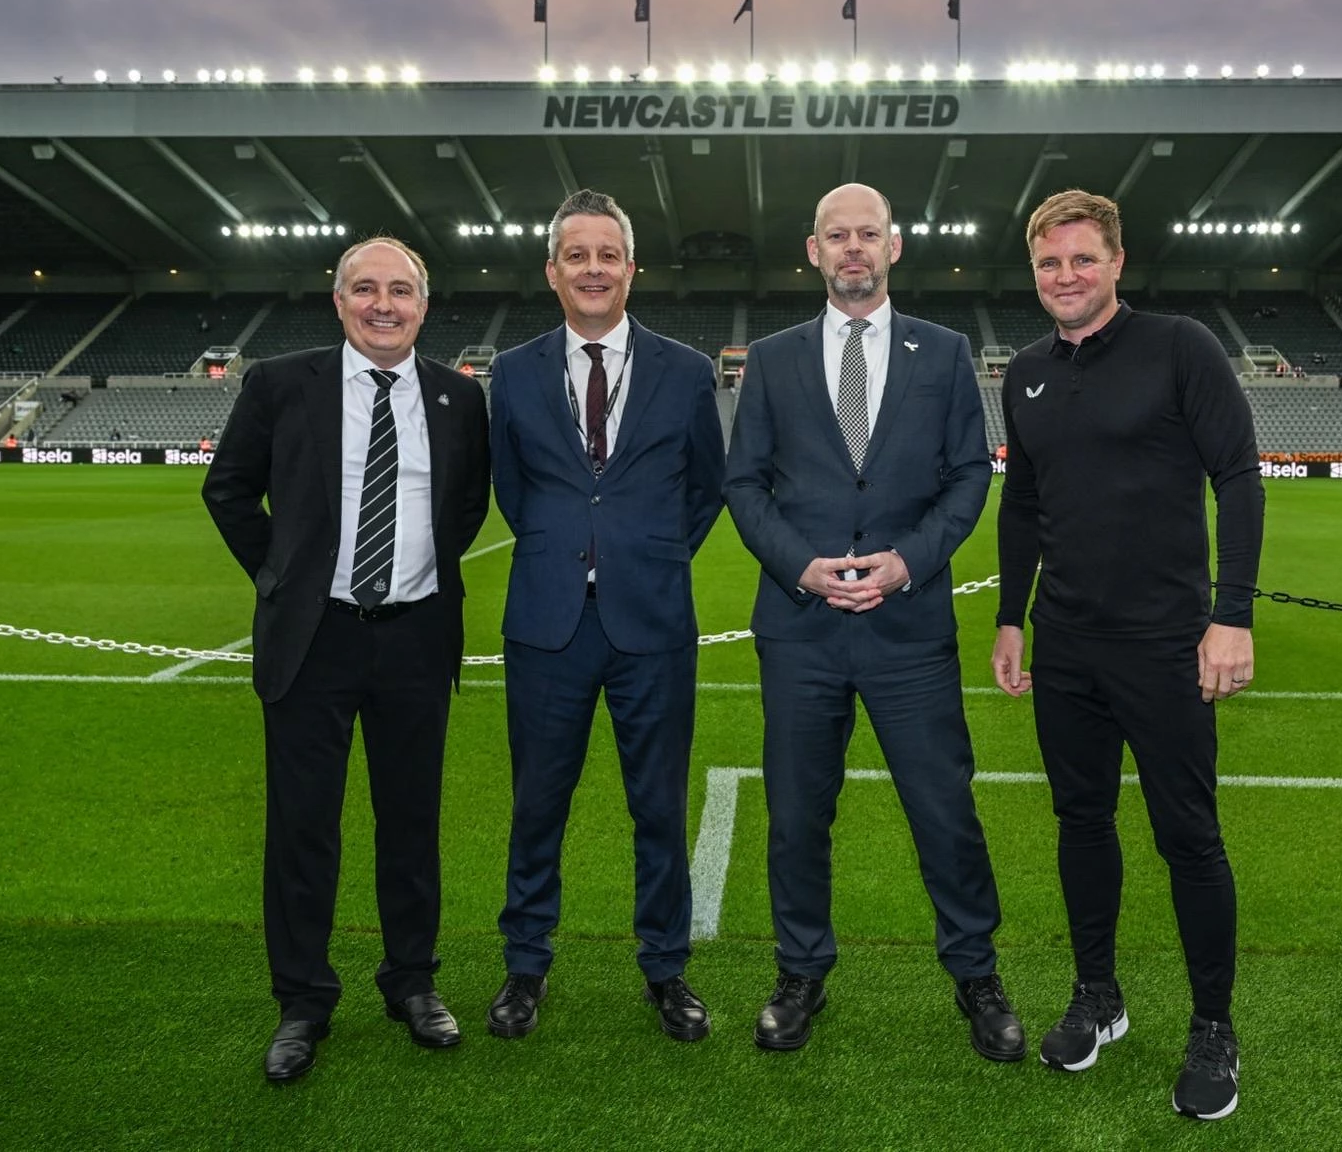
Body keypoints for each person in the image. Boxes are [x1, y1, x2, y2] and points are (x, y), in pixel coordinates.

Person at [725, 183, 1021, 1062]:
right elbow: (744, 484)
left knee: (943, 811)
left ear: (893, 247)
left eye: (868, 235)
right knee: (796, 817)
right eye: (835, 237)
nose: (853, 249)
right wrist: (800, 567)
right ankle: (800, 971)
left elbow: (971, 474)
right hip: (802, 627)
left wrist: (909, 561)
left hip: (909, 628)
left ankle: (976, 972)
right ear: (812, 252)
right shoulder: (772, 358)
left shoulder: (945, 352)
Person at [991, 189, 1263, 1120]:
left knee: (1188, 837)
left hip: (1165, 645)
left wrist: (1233, 616)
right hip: (1066, 646)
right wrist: (1011, 618)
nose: (1065, 277)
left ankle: (1213, 1027)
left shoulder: (1180, 346)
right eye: (1048, 265)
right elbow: (1022, 504)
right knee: (1080, 823)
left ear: (1116, 262)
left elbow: (1239, 477)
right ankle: (1098, 996)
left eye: (1081, 260)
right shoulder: (1022, 372)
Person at [202, 236, 490, 1084]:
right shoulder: (282, 383)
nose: (383, 304)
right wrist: (281, 574)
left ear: (424, 306)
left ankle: (412, 983)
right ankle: (302, 1001)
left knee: (412, 823)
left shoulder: (456, 398)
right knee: (303, 830)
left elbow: (466, 505)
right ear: (338, 301)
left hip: (413, 637)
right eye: (365, 289)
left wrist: (418, 576)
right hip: (314, 638)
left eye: (400, 290)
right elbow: (228, 489)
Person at [485, 189, 725, 1043]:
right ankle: (525, 965)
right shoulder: (510, 373)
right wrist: (568, 551)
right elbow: (515, 491)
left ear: (632, 269)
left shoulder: (688, 370)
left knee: (657, 805)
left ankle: (665, 968)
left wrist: (643, 555)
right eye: (576, 256)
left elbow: (705, 490)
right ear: (552, 271)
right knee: (537, 803)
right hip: (547, 622)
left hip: (652, 621)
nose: (594, 269)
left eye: (608, 255)